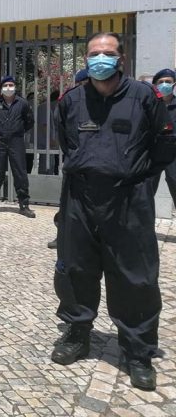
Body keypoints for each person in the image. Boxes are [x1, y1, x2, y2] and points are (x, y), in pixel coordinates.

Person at [51, 32, 176, 391]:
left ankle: (137, 350)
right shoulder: (72, 99)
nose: (100, 59)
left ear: (121, 59)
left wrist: (134, 177)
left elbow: (164, 146)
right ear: (85, 59)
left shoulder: (144, 98)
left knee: (134, 275)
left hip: (128, 199)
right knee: (75, 268)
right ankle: (77, 332)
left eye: (108, 53)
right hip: (80, 197)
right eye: (93, 53)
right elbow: (66, 142)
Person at [0, 75, 35, 217]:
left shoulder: (22, 103)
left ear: (15, 87)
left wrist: (17, 130)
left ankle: (24, 204)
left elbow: (29, 121)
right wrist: (1, 132)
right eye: (5, 85)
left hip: (16, 140)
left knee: (20, 172)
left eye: (11, 85)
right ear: (1, 88)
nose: (8, 88)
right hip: (0, 140)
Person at [47, 69, 89, 250]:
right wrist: (72, 154)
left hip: (101, 164)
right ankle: (62, 237)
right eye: (85, 82)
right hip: (75, 162)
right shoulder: (69, 101)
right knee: (68, 205)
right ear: (79, 83)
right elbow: (61, 131)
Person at [150, 68, 176, 205]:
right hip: (153, 152)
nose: (165, 84)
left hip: (174, 153)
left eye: (168, 81)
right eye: (161, 81)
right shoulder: (150, 105)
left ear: (174, 84)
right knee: (147, 189)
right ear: (155, 85)